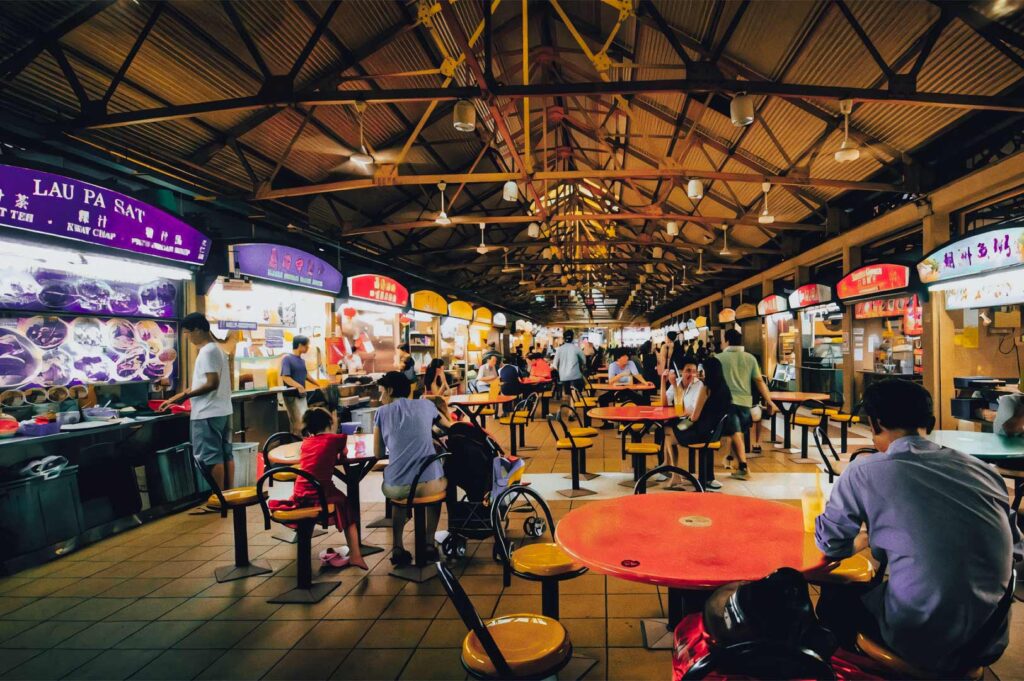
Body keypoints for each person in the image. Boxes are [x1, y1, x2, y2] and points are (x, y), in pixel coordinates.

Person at [815, 379, 1022, 676]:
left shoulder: (864, 470)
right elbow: (1016, 547)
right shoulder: (985, 472)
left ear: (874, 424)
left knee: (834, 599)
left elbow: (830, 544)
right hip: (987, 638)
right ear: (932, 423)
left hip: (920, 640)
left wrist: (866, 539)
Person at [267, 407, 368, 569]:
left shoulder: (306, 443)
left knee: (329, 501)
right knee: (348, 509)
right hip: (321, 492)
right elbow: (343, 455)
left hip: (300, 492)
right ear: (329, 423)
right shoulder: (336, 439)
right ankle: (356, 556)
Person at [374, 371, 450, 566]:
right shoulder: (426, 405)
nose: (380, 398)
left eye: (382, 392)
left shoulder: (381, 413)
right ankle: (429, 544)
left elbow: (378, 453)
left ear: (390, 390)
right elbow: (448, 426)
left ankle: (397, 546)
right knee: (436, 488)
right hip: (430, 485)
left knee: (399, 499)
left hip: (397, 487)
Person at [160, 313, 234, 490]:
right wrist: (176, 397)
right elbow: (204, 382)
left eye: (187, 333)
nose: (187, 338)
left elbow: (211, 383)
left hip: (207, 413)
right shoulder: (217, 349)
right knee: (226, 455)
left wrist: (184, 397)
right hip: (222, 411)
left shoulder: (207, 351)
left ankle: (217, 497)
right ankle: (228, 495)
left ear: (198, 330)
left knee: (210, 457)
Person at [716, 329, 779, 480]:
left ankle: (743, 466)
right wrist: (769, 401)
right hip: (745, 404)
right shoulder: (750, 358)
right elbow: (759, 381)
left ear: (727, 341)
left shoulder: (718, 358)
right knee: (736, 433)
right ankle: (738, 465)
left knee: (735, 434)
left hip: (726, 403)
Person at [668, 356, 732, 491]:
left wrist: (681, 426)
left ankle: (674, 474)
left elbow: (694, 417)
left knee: (669, 432)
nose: (701, 374)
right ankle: (707, 478)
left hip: (701, 434)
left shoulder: (706, 388)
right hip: (715, 433)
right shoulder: (725, 389)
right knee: (679, 430)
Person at [280, 335, 317, 436]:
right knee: (297, 423)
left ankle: (304, 442)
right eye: (306, 346)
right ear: (300, 345)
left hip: (301, 395)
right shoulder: (287, 359)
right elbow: (285, 377)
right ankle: (297, 442)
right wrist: (299, 386)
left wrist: (318, 384)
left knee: (304, 420)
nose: (308, 348)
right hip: (292, 396)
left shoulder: (301, 361)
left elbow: (306, 375)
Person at [598, 349, 646, 413]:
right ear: (618, 358)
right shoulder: (613, 366)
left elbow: (636, 375)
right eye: (624, 357)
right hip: (616, 391)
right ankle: (606, 418)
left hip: (628, 390)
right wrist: (621, 375)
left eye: (627, 356)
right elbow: (610, 381)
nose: (627, 358)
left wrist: (645, 382)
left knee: (643, 400)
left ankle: (643, 416)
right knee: (602, 399)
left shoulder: (630, 363)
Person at [552, 330, 587, 397]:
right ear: (572, 338)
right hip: (575, 376)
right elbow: (584, 361)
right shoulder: (577, 349)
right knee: (576, 393)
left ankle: (571, 400)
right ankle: (575, 401)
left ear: (564, 338)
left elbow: (554, 365)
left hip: (564, 377)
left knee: (569, 394)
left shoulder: (559, 349)